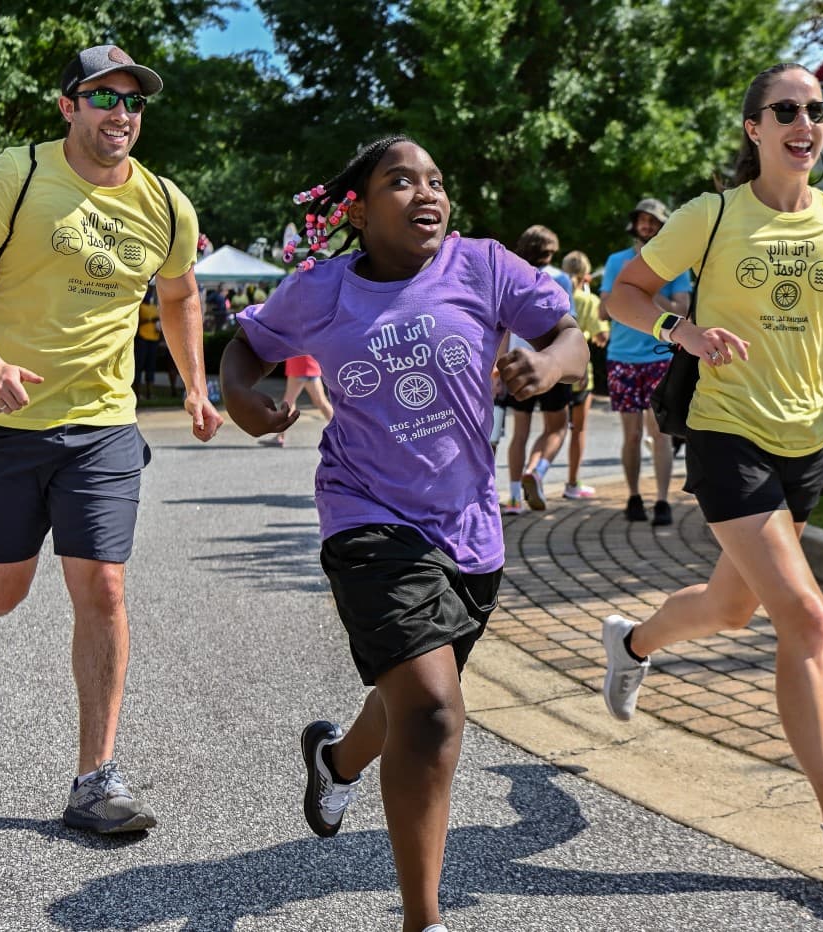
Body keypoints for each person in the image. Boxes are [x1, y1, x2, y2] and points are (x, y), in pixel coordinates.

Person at [221, 135, 586, 932]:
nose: (427, 194)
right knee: (432, 709)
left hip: (469, 530)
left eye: (436, 181)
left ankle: (336, 762)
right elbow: (244, 350)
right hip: (364, 515)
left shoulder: (483, 265)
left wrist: (551, 367)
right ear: (358, 208)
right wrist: (247, 402)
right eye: (401, 181)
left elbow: (568, 334)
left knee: (412, 699)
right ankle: (424, 920)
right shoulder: (319, 290)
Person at [598, 62, 823, 877]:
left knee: (732, 606)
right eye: (786, 110)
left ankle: (632, 645)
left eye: (816, 110)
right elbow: (624, 296)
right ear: (754, 128)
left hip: (806, 439)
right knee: (806, 618)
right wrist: (683, 329)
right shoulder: (710, 217)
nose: (804, 123)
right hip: (725, 431)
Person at [0, 44, 221, 835]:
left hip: (101, 425)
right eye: (103, 97)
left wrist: (196, 384)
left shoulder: (165, 203)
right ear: (68, 106)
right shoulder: (14, 177)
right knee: (7, 587)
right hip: (2, 422)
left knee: (104, 588)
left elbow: (181, 293)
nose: (120, 113)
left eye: (133, 101)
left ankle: (96, 780)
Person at [599, 198, 691, 526]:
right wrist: (631, 280)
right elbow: (605, 308)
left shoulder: (676, 263)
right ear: (634, 224)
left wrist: (646, 285)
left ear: (663, 225)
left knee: (660, 433)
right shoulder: (616, 261)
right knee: (632, 435)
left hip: (659, 355)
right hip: (622, 356)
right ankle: (634, 496)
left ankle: (663, 501)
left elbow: (682, 311)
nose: (647, 226)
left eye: (653, 221)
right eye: (642, 220)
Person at [501, 225, 573, 514]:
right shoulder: (560, 278)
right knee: (557, 427)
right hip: (550, 363)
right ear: (551, 249)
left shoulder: (512, 276)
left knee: (520, 433)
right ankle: (538, 470)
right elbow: (570, 326)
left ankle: (515, 497)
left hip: (518, 362)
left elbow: (503, 325)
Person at [560, 250, 609, 499]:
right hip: (580, 373)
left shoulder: (556, 294)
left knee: (552, 428)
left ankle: (531, 472)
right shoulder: (590, 302)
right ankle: (572, 483)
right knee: (577, 429)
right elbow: (601, 337)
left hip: (555, 371)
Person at [261, 355, 334, 447]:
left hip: (299, 366)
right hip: (311, 365)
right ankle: (342, 432)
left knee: (288, 403)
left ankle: (279, 437)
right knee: (321, 402)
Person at [134, 283, 162, 400]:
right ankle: (137, 392)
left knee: (151, 367)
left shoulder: (154, 307)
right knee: (139, 366)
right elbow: (136, 323)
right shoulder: (139, 307)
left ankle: (149, 393)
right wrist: (150, 320)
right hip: (142, 338)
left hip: (154, 339)